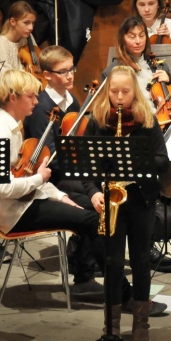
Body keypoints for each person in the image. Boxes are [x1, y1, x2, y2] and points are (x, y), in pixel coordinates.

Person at [0, 68, 103, 297]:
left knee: (93, 205)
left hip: (27, 200)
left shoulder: (14, 127)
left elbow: (29, 178)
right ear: (13, 97)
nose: (36, 101)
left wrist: (62, 197)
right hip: (16, 212)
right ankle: (94, 283)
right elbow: (3, 188)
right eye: (30, 96)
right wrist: (41, 178)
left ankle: (83, 275)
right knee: (92, 220)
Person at [80, 65, 170, 341]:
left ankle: (141, 325)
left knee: (142, 262)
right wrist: (94, 191)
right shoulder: (98, 120)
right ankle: (112, 326)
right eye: (115, 91)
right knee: (113, 263)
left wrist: (134, 159)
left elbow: (162, 160)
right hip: (111, 199)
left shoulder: (147, 120)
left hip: (140, 198)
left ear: (135, 92)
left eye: (125, 91)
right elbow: (86, 165)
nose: (119, 97)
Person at [22, 46, 105, 298]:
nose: (70, 76)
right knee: (94, 203)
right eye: (63, 72)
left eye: (72, 69)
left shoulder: (73, 100)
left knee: (104, 189)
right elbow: (44, 156)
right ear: (47, 75)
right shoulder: (40, 108)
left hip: (72, 170)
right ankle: (83, 275)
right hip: (53, 178)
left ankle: (86, 252)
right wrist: (77, 169)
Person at [101, 16, 171, 108]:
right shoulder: (112, 71)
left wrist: (169, 81)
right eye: (132, 37)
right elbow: (108, 107)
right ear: (122, 40)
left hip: (163, 118)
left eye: (142, 36)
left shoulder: (158, 65)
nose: (138, 41)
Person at [0, 1, 38, 75]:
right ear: (13, 22)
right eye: (26, 23)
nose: (31, 28)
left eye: (32, 23)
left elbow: (37, 62)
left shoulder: (28, 37)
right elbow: (4, 77)